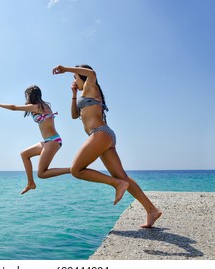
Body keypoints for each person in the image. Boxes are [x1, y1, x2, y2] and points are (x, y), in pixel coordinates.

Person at [52, 64, 162, 228]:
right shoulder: (83, 93)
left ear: (81, 76)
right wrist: (74, 94)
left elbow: (92, 72)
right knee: (123, 176)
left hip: (100, 133)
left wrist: (67, 69)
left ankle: (116, 184)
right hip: (103, 136)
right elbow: (74, 116)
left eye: (75, 77)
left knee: (76, 170)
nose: (74, 81)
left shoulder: (91, 85)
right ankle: (151, 210)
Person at [0, 85, 70, 194]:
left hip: (53, 141)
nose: (26, 98)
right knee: (24, 154)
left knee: (41, 174)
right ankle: (30, 183)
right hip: (48, 141)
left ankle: (72, 169)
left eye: (27, 95)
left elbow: (14, 107)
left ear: (31, 95)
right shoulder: (42, 106)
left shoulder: (38, 107)